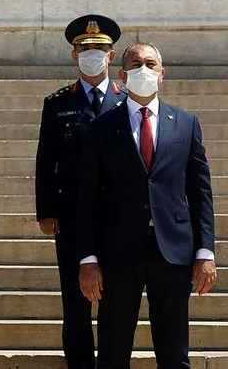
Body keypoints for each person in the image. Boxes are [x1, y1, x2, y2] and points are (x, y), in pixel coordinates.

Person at [77, 43, 217, 368]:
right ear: (123, 75)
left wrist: (205, 251)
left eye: (150, 64)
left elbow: (200, 192)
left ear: (162, 73)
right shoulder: (101, 127)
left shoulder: (185, 123)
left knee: (174, 353)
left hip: (173, 251)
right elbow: (86, 197)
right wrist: (88, 258)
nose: (144, 69)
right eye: (136, 64)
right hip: (117, 252)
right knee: (112, 352)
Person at [34, 14, 124, 369]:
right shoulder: (58, 103)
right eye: (84, 48)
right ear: (74, 55)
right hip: (72, 217)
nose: (91, 54)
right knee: (75, 303)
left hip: (117, 216)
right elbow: (46, 159)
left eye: (99, 48)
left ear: (111, 55)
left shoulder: (127, 99)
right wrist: (46, 211)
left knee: (116, 302)